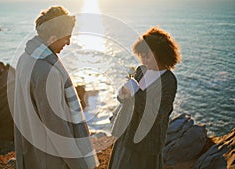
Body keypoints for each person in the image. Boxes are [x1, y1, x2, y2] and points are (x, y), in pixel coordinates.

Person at [13, 6, 99, 169]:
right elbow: (57, 128)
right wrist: (79, 165)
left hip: (30, 152)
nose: (68, 42)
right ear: (52, 38)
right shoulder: (48, 71)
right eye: (66, 37)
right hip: (51, 159)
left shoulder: (25, 58)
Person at [108, 26, 181, 169]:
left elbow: (158, 113)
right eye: (141, 56)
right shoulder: (141, 70)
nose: (144, 60)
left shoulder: (169, 81)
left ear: (161, 54)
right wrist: (123, 94)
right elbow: (127, 100)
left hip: (146, 142)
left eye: (147, 56)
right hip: (126, 133)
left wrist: (135, 93)